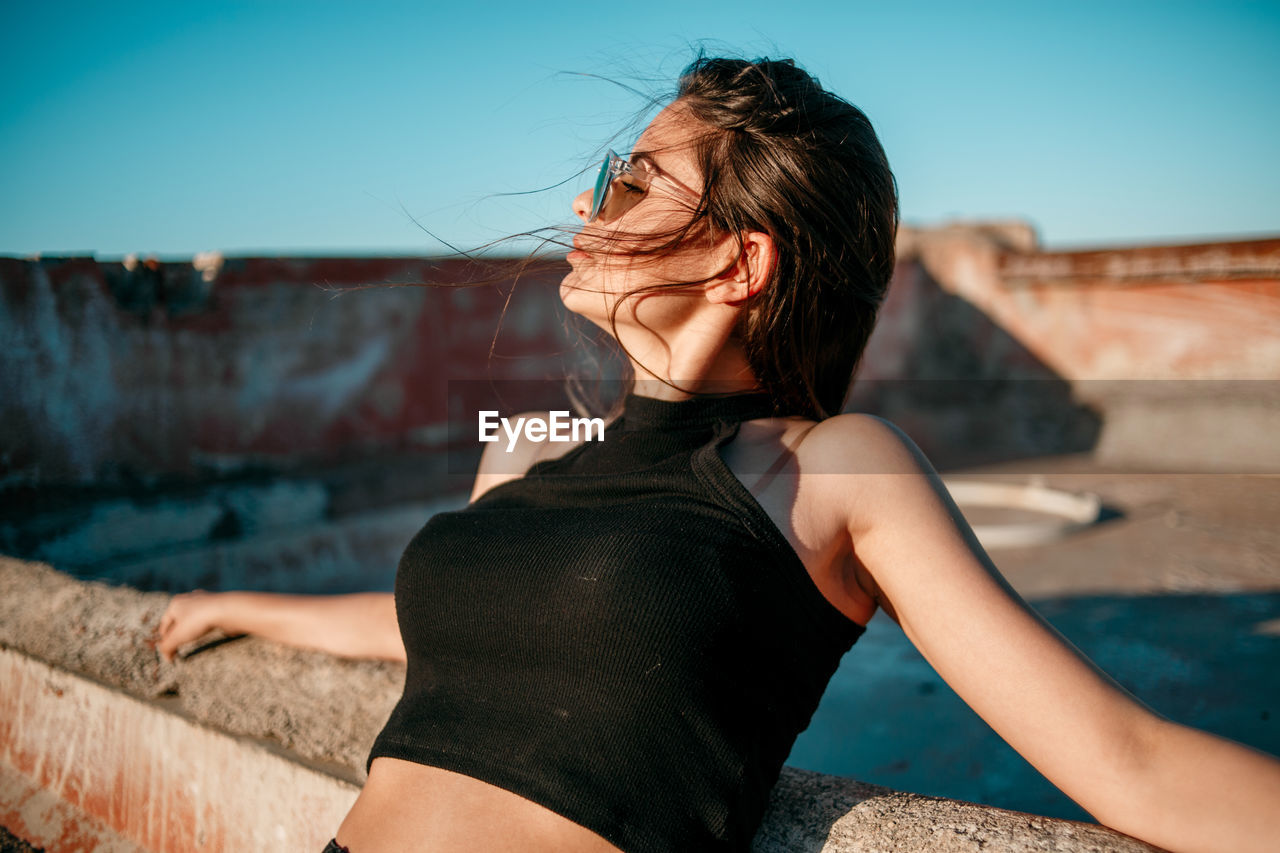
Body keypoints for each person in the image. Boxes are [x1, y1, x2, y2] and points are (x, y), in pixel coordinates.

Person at [155, 56, 1280, 853]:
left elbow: (1122, 755)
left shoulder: (830, 468)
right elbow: (443, 629)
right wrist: (243, 605)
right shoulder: (525, 464)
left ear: (740, 263)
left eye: (634, 180)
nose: (585, 204)